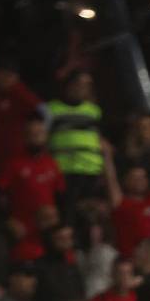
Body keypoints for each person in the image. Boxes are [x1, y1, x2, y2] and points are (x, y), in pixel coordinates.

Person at [47, 70, 107, 207]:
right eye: (79, 84)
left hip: (91, 170)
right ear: (68, 84)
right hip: (63, 170)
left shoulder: (94, 111)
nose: (82, 88)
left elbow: (100, 141)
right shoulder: (51, 109)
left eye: (87, 85)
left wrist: (103, 170)